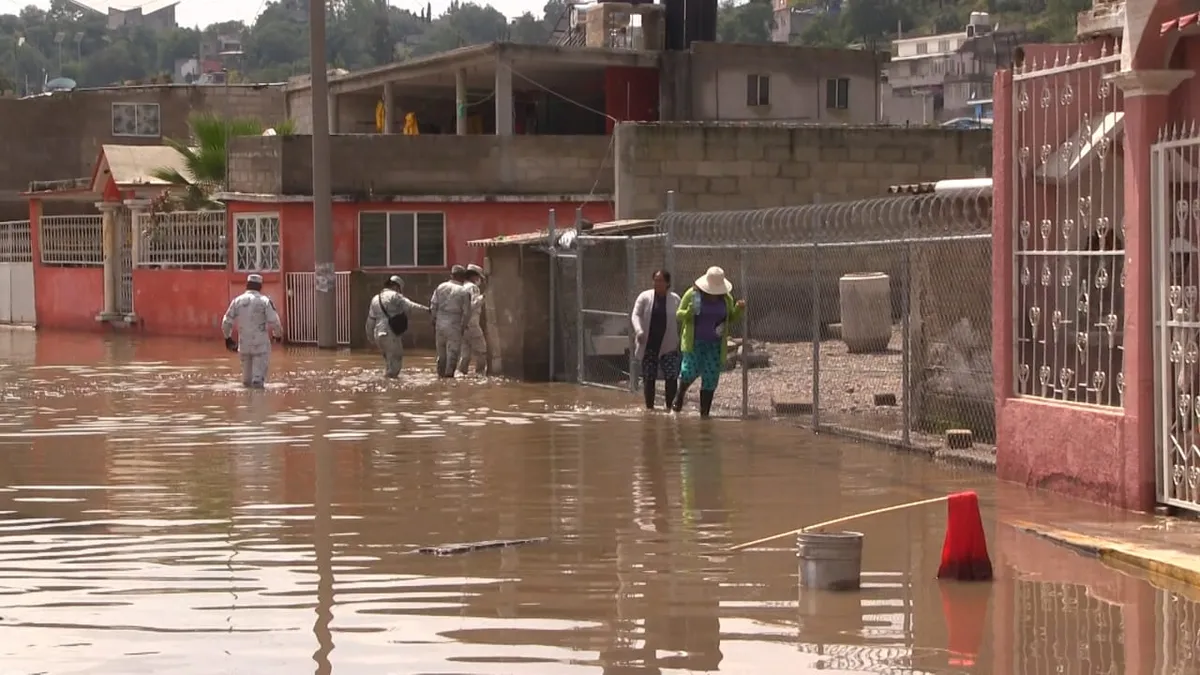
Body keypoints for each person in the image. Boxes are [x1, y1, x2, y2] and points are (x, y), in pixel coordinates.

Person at [672, 266, 746, 418]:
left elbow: (730, 317)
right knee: (689, 371)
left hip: (715, 345)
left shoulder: (726, 298)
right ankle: (679, 398)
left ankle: (704, 414)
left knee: (710, 377)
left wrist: (738, 309)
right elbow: (679, 314)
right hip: (695, 342)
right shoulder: (693, 294)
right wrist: (689, 312)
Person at [222, 273, 284, 389]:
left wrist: (228, 338)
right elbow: (275, 322)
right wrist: (277, 335)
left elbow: (226, 321)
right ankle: (257, 399)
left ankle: (247, 399)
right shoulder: (264, 301)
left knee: (246, 381)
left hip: (244, 345)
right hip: (260, 346)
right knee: (258, 382)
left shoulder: (237, 301)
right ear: (260, 286)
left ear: (247, 285)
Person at [631, 269, 682, 410]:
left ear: (668, 283)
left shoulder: (675, 299)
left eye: (661, 281)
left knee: (671, 377)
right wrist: (639, 331)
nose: (657, 283)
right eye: (655, 280)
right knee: (649, 377)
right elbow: (635, 315)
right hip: (649, 344)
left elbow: (682, 318)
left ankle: (670, 408)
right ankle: (650, 410)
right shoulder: (644, 297)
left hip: (669, 345)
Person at [365, 275, 429, 378]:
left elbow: (370, 321)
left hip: (378, 334)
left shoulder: (375, 298)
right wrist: (427, 310)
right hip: (390, 334)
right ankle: (391, 386)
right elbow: (410, 306)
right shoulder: (394, 296)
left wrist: (371, 338)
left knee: (389, 363)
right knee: (395, 364)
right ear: (396, 286)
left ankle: (385, 383)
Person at [429, 265, 472, 378]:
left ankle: (440, 376)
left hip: (440, 322)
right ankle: (449, 378)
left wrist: (434, 320)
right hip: (454, 323)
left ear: (451, 275)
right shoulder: (464, 291)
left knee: (441, 353)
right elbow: (467, 312)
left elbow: (433, 305)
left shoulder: (440, 287)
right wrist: (463, 327)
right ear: (463, 277)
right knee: (453, 353)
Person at [458, 263, 489, 376]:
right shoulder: (473, 288)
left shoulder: (461, 287)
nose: (479, 280)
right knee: (482, 350)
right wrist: (484, 297)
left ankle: (461, 373)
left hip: (462, 324)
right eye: (479, 277)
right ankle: (480, 374)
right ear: (474, 276)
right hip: (472, 323)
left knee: (465, 353)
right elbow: (472, 304)